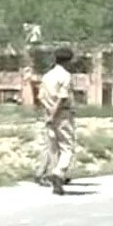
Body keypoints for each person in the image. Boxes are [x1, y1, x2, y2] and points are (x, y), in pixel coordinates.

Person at [37, 46, 75, 195]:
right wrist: (54, 113)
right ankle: (59, 173)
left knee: (53, 147)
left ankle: (55, 178)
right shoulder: (65, 76)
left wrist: (49, 112)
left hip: (48, 113)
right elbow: (62, 97)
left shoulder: (47, 76)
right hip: (62, 114)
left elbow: (40, 97)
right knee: (67, 147)